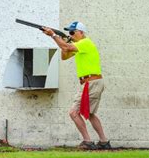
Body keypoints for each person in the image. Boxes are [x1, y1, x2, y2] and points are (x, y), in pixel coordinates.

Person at [42, 21, 110, 150]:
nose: (71, 34)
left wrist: (53, 35)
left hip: (92, 82)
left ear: (81, 32)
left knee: (73, 112)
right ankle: (103, 141)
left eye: (73, 32)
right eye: (69, 33)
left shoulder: (85, 43)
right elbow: (65, 55)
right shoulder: (79, 45)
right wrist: (63, 41)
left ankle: (88, 141)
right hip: (88, 83)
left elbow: (66, 48)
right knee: (89, 114)